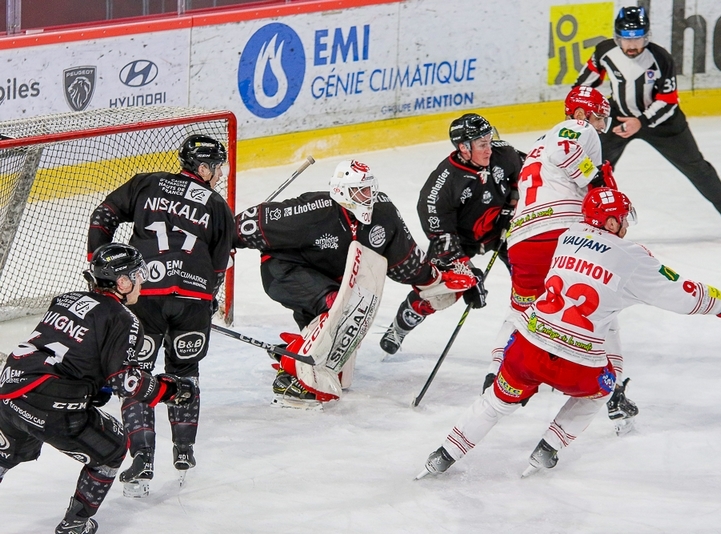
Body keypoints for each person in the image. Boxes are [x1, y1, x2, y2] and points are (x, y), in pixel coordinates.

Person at [417, 187, 721, 479]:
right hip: (576, 365)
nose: (625, 224)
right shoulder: (633, 257)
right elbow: (684, 296)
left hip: (526, 348)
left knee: (494, 403)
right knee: (602, 389)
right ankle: (550, 446)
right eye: (622, 218)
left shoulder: (568, 236)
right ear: (611, 222)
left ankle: (443, 455)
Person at [234, 159, 473, 407]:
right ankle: (295, 369)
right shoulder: (313, 210)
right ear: (340, 192)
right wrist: (221, 246)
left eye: (370, 189)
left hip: (331, 281)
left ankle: (298, 349)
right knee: (339, 307)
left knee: (337, 367)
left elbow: (405, 261)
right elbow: (249, 223)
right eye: (360, 191)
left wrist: (436, 280)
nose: (367, 196)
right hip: (285, 271)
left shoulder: (383, 213)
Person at [0, 243, 195, 534]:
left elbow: (74, 352)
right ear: (123, 282)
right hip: (50, 402)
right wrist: (167, 390)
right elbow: (125, 381)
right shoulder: (124, 320)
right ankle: (75, 525)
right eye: (137, 275)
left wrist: (93, 388)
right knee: (113, 448)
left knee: (6, 452)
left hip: (10, 389)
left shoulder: (65, 299)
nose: (142, 280)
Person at [485, 85, 639, 435]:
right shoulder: (576, 130)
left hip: (523, 240)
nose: (600, 125)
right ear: (581, 114)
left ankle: (497, 375)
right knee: (600, 309)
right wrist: (597, 180)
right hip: (563, 233)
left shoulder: (539, 144)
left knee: (522, 308)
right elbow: (566, 151)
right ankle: (613, 394)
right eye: (597, 117)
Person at [87, 134, 235, 497]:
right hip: (193, 298)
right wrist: (207, 298)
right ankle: (184, 450)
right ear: (202, 168)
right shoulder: (217, 205)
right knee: (185, 371)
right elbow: (219, 266)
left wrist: (99, 264)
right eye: (216, 167)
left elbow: (103, 214)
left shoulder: (147, 182)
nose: (219, 174)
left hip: (144, 294)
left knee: (136, 373)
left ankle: (142, 458)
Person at [574, 6, 721, 240]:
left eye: (638, 38)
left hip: (663, 123)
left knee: (697, 167)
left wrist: (641, 122)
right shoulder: (604, 51)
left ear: (646, 36)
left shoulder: (660, 58)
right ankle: (592, 223)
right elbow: (582, 87)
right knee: (595, 170)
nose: (632, 45)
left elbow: (668, 101)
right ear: (617, 38)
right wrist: (584, 109)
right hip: (617, 118)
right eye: (627, 39)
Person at [379, 113, 524, 354]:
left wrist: (513, 203)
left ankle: (536, 335)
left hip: (501, 229)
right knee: (441, 290)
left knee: (530, 275)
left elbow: (528, 173)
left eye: (489, 140)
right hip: (459, 242)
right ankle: (399, 328)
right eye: (482, 144)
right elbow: (444, 240)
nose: (490, 149)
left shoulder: (503, 154)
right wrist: (468, 273)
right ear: (464, 148)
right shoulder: (439, 191)